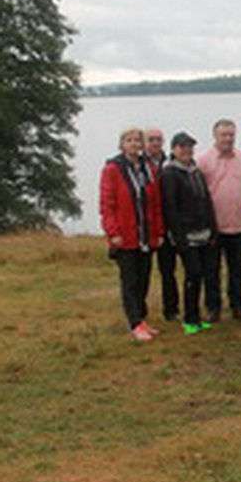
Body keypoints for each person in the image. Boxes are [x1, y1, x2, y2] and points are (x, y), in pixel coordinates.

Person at [99, 127, 165, 341]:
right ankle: (134, 323)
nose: (134, 144)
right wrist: (112, 232)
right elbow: (107, 205)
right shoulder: (112, 169)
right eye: (130, 140)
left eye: (138, 140)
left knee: (144, 278)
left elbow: (155, 204)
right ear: (122, 143)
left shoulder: (148, 169)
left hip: (145, 235)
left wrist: (159, 231)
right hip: (124, 236)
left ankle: (142, 319)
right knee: (130, 280)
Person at [197, 119, 241, 322]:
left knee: (237, 269)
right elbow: (197, 193)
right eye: (224, 134)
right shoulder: (203, 160)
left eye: (231, 134)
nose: (228, 138)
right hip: (214, 226)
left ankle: (238, 306)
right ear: (215, 136)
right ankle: (213, 308)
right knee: (211, 270)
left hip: (240, 224)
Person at [161, 132, 217, 335]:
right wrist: (179, 237)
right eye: (182, 147)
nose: (186, 150)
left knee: (201, 275)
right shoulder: (169, 174)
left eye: (190, 146)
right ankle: (189, 320)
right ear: (174, 149)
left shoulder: (195, 170)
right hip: (186, 236)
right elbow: (170, 208)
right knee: (192, 275)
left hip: (204, 232)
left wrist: (213, 229)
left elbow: (206, 200)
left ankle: (196, 315)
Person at [144, 127, 180, 322]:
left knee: (168, 271)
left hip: (167, 225)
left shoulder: (171, 163)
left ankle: (171, 309)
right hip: (146, 226)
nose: (155, 143)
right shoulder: (138, 165)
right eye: (151, 139)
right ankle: (140, 314)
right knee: (143, 272)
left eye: (158, 139)